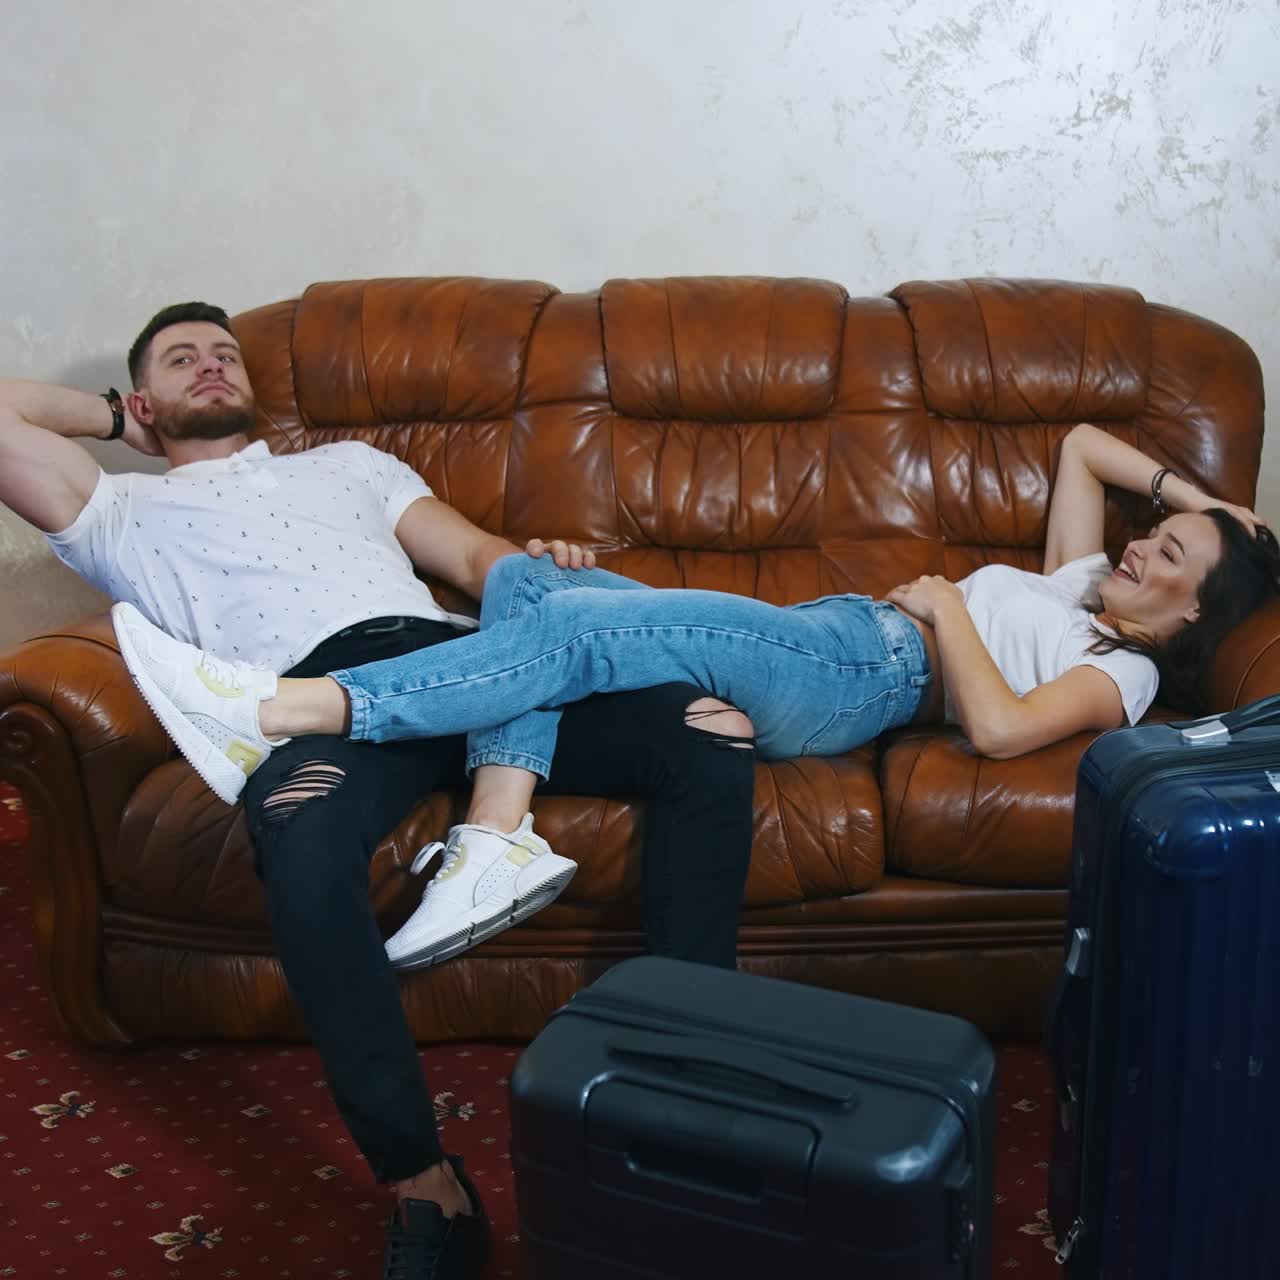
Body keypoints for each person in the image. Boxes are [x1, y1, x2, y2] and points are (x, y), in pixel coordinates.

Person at [0, 302, 760, 1280]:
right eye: (181, 360)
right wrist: (114, 418)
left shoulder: (350, 464)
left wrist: (544, 575)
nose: (211, 366)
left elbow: (476, 560)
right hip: (321, 702)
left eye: (225, 353)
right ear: (144, 397)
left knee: (709, 733)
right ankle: (423, 1181)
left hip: (465, 665)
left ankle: (690, 1090)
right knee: (299, 829)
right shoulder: (117, 510)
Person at [113, 420, 1280, 886]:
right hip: (830, 635)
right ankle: (496, 832)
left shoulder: (1124, 672)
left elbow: (1001, 728)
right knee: (527, 581)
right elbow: (1077, 446)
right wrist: (1216, 513)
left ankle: (283, 709)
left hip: (864, 671)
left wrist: (943, 607)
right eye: (1151, 533)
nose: (1138, 544)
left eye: (1165, 556)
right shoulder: (1079, 580)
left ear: (1192, 614)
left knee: (567, 626)